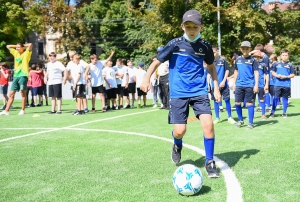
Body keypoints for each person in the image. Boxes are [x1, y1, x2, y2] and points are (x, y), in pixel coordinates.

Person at [140, 10, 221, 178]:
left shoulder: (205, 46)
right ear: (182, 26)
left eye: (195, 27)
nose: (192, 30)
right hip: (178, 93)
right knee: (179, 131)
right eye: (188, 27)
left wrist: (216, 87)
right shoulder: (175, 44)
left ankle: (210, 161)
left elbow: (211, 67)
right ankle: (177, 144)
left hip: (199, 91)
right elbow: (156, 61)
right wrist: (146, 78)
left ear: (201, 27)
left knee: (208, 126)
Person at [0, 43, 32, 115]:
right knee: (11, 94)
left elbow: (30, 44)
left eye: (18, 47)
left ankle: (23, 110)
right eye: (16, 48)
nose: (17, 49)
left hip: (23, 75)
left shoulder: (26, 53)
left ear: (23, 48)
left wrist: (23, 46)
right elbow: (8, 46)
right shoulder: (15, 53)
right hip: (16, 76)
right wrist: (17, 46)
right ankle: (6, 110)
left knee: (22, 93)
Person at [232, 41, 259, 129]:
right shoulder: (238, 59)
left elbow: (256, 73)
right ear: (241, 49)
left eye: (247, 48)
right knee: (237, 103)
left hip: (249, 85)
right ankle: (241, 120)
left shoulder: (253, 60)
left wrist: (256, 85)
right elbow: (236, 71)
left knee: (249, 104)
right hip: (239, 84)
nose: (245, 50)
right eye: (243, 48)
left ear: (250, 49)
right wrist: (234, 83)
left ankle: (250, 123)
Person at [208, 45, 236, 124]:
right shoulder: (210, 61)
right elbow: (209, 74)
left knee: (227, 100)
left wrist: (224, 81)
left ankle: (230, 117)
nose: (212, 54)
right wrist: (208, 84)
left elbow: (227, 71)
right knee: (216, 101)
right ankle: (217, 118)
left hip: (224, 85)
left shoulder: (223, 60)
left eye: (213, 52)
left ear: (217, 51)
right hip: (214, 86)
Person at [269, 49, 295, 118]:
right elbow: (273, 72)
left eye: (286, 55)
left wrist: (286, 76)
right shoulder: (276, 64)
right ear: (280, 56)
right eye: (283, 55)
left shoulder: (290, 65)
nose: (284, 57)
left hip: (286, 84)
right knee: (275, 98)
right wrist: (277, 75)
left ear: (288, 56)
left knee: (285, 98)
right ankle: (272, 112)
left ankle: (284, 113)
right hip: (277, 84)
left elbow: (292, 75)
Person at [252, 50, 269, 120]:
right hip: (252, 85)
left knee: (261, 99)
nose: (256, 58)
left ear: (260, 57)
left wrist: (266, 84)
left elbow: (266, 74)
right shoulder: (251, 64)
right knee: (252, 100)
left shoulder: (263, 64)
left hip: (261, 85)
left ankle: (263, 114)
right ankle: (251, 116)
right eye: (254, 57)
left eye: (257, 57)